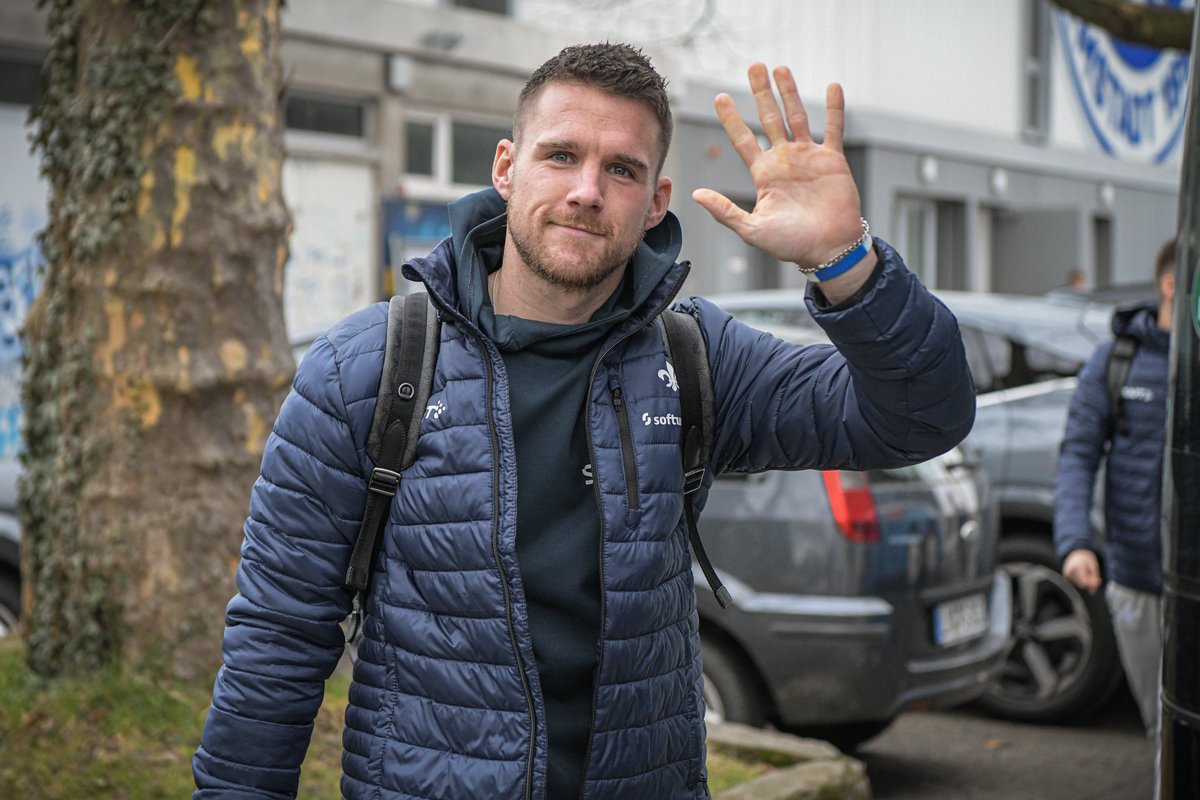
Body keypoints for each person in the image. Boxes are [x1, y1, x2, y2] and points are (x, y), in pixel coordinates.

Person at [193, 43, 975, 799]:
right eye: (561, 155)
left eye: (622, 169)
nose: (586, 190)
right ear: (507, 167)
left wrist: (845, 260)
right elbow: (279, 637)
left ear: (656, 202)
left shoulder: (698, 359)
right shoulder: (365, 370)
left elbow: (919, 418)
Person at [1055, 239, 1176, 738]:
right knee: (1161, 729)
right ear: (1174, 285)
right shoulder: (1117, 359)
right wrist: (1076, 542)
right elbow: (1078, 455)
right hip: (1138, 578)